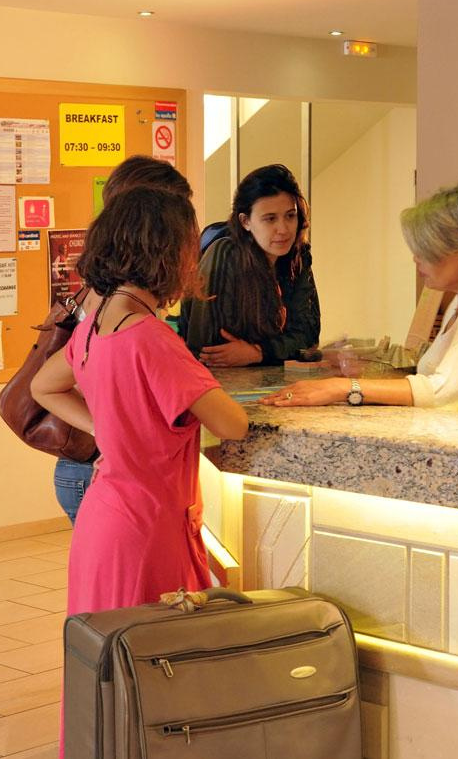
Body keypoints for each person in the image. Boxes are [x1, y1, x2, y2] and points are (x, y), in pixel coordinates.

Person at [31, 186, 248, 619]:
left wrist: (107, 430)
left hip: (103, 519)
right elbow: (233, 425)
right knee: (150, 648)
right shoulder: (152, 338)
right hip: (147, 528)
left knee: (105, 648)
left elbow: (43, 387)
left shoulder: (93, 328)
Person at [263, 182, 458, 419]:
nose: (416, 259)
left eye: (426, 250)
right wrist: (367, 373)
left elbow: (441, 390)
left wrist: (342, 387)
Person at [51, 156, 194, 525]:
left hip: (90, 467)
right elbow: (49, 385)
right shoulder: (116, 301)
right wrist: (105, 431)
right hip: (92, 466)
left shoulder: (116, 290)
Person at [179, 164, 321, 367]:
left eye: (290, 215)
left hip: (269, 376)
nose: (283, 229)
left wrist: (259, 352)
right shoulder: (225, 254)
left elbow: (308, 335)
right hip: (215, 379)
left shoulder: (297, 254)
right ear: (245, 221)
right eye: (270, 219)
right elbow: (211, 352)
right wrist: (278, 348)